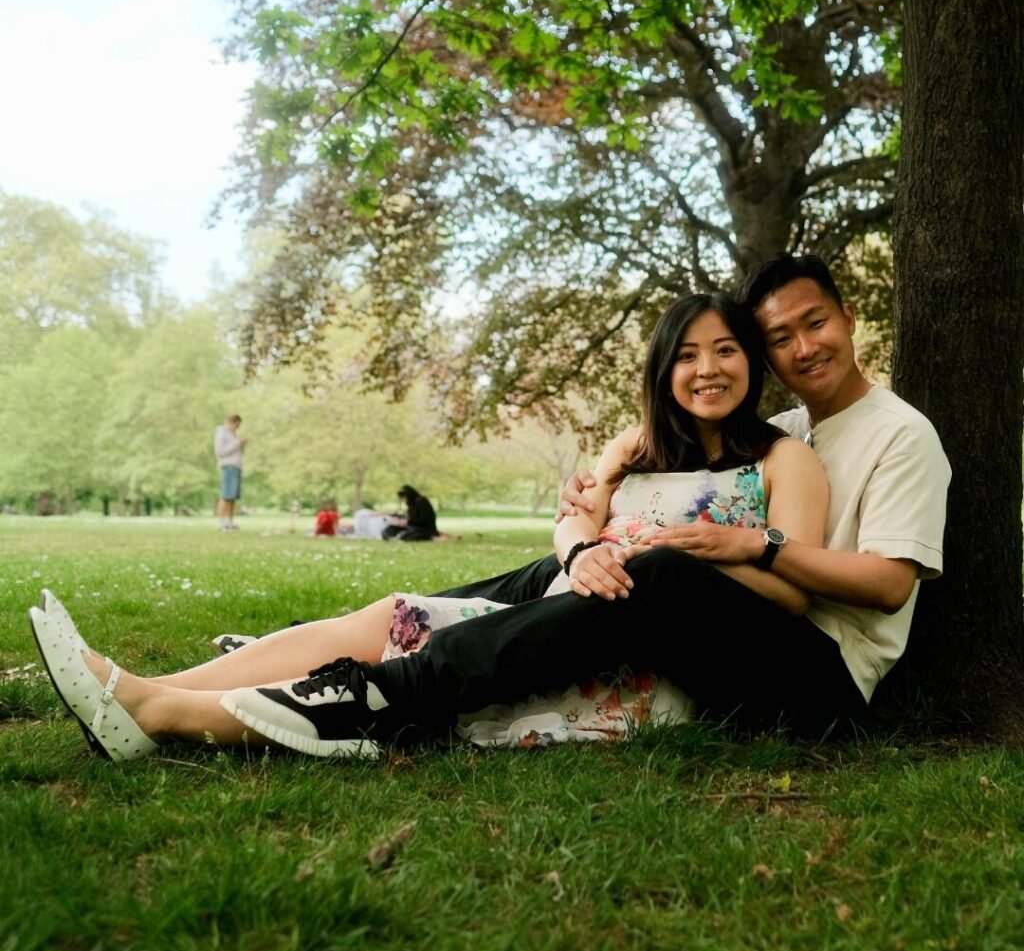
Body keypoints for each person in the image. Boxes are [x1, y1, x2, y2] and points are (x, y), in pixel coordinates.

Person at [27, 292, 826, 760]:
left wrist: (709, 552)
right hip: (561, 603)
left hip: (638, 654)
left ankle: (158, 714)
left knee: (418, 656)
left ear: (752, 365)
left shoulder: (783, 461)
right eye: (687, 354)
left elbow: (790, 597)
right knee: (393, 615)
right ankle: (142, 693)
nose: (708, 369)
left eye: (726, 351)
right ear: (663, 369)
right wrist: (581, 552)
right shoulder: (636, 448)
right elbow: (571, 522)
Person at [207, 254, 949, 752]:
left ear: (848, 318)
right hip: (741, 628)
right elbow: (647, 467)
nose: (803, 348)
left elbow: (886, 586)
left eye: (814, 324)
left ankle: (390, 689)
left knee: (653, 573)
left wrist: (758, 547)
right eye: (780, 337)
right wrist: (585, 521)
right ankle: (378, 635)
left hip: (823, 680)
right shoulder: (786, 430)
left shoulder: (900, 435)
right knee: (565, 571)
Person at [213, 414, 246, 531]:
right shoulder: (222, 433)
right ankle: (221, 522)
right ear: (232, 422)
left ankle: (229, 521)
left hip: (236, 466)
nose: (237, 428)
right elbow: (220, 451)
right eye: (237, 425)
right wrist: (237, 444)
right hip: (228, 466)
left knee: (232, 496)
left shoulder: (232, 434)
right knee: (226, 495)